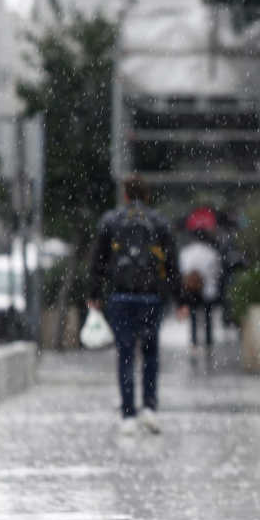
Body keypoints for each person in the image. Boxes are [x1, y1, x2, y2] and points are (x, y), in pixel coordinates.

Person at [88, 175, 182, 435]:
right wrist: (180, 298)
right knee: (151, 354)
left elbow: (98, 260)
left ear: (126, 195)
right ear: (148, 195)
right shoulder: (159, 222)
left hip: (121, 296)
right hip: (151, 297)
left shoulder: (111, 221)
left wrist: (94, 294)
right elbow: (172, 263)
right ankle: (150, 409)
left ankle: (128, 414)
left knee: (126, 354)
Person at [178, 228, 222, 357]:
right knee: (208, 317)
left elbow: (182, 270)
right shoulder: (211, 252)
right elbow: (216, 271)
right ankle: (208, 343)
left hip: (191, 290)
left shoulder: (186, 252)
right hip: (207, 289)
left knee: (193, 317)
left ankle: (194, 343)